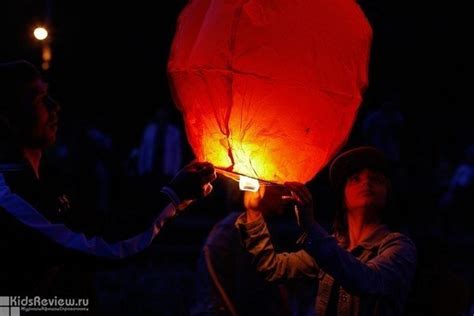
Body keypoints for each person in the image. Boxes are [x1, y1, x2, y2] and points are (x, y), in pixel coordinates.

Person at [0, 60, 216, 300]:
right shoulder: (10, 196)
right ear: (7, 118)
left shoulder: (52, 176)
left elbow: (98, 223)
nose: (55, 107)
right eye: (39, 100)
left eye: (48, 95)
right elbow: (102, 244)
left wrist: (175, 195)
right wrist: (175, 196)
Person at [235, 146, 417, 315]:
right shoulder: (330, 247)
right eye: (355, 178)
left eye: (376, 178)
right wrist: (254, 212)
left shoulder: (399, 247)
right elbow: (272, 268)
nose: (366, 181)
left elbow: (368, 280)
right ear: (343, 197)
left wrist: (310, 227)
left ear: (388, 194)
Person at [192, 182, 316, 316]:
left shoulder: (265, 228)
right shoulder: (229, 232)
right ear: (258, 189)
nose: (285, 195)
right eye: (279, 188)